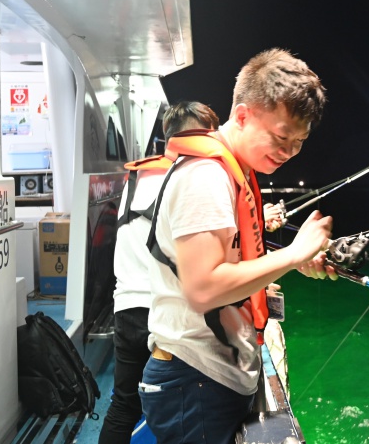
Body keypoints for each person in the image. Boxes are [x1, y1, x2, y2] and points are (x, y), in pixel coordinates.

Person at [139, 48, 337, 444]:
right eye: (282, 137)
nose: (289, 152)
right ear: (243, 115)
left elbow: (231, 262)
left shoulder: (237, 169)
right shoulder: (206, 177)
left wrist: (294, 263)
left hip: (214, 376)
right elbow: (204, 288)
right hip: (194, 381)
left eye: (299, 142)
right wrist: (294, 252)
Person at [97, 101, 220, 444]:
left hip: (126, 309)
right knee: (180, 408)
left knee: (123, 405)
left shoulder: (136, 178)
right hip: (165, 314)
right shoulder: (189, 179)